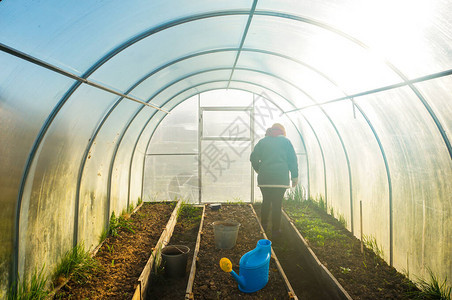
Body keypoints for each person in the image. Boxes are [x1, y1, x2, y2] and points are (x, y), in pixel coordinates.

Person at [250, 123, 298, 238]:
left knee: (266, 202)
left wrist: (259, 169)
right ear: (282, 132)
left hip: (265, 179)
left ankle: (264, 227)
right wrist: (294, 177)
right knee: (277, 205)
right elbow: (292, 160)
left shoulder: (263, 142)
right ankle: (276, 231)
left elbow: (253, 157)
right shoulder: (286, 142)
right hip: (280, 179)